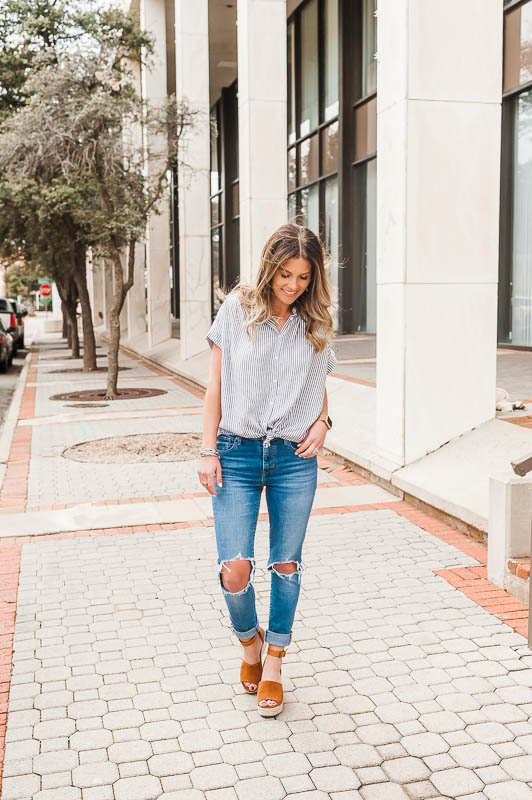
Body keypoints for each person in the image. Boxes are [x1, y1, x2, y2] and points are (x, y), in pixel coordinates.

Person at [198, 222, 336, 717]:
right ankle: (248, 644)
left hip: (292, 459)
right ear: (269, 267)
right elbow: (214, 388)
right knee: (234, 570)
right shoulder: (237, 310)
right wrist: (207, 449)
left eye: (303, 276)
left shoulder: (315, 322)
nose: (293, 285)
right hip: (235, 451)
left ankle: (274, 662)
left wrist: (324, 422)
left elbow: (317, 387)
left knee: (286, 564)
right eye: (285, 273)